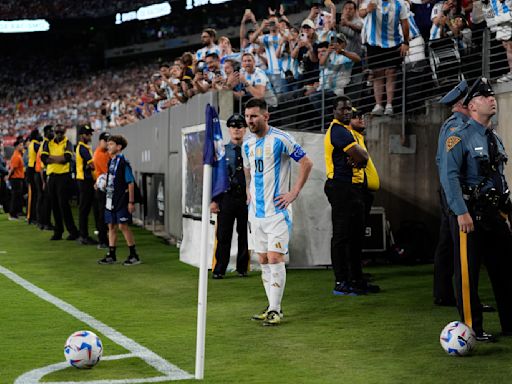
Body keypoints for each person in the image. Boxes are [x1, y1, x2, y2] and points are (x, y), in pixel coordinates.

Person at [440, 77, 512, 341]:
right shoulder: (457, 137)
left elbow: (499, 178)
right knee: (468, 273)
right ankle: (472, 329)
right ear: (471, 106)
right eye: (484, 97)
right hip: (470, 214)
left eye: (492, 96)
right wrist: (461, 211)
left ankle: (509, 323)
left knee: (505, 270)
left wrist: (507, 212)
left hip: (495, 213)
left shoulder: (494, 137)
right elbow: (449, 177)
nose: (491, 99)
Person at [242, 98, 313, 326]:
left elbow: (307, 163)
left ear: (266, 116)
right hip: (256, 213)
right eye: (247, 116)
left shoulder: (281, 139)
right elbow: (248, 170)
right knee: (262, 258)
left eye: (254, 116)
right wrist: (248, 190)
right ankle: (272, 306)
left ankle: (275, 309)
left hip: (278, 213)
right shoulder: (247, 144)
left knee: (274, 257)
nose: (250, 120)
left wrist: (294, 192)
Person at [324, 96, 379, 295]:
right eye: (343, 109)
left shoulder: (348, 131)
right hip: (342, 187)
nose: (347, 112)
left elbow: (361, 158)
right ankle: (341, 282)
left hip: (353, 188)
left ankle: (356, 279)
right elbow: (363, 156)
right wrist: (358, 158)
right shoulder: (338, 131)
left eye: (349, 108)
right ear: (334, 111)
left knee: (355, 237)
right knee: (342, 235)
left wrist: (358, 159)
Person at [433, 80, 469, 307]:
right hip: (454, 190)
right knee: (458, 245)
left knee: (447, 243)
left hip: (449, 190)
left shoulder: (451, 125)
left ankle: (445, 293)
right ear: (461, 103)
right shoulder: (456, 126)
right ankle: (459, 296)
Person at [210, 114, 249, 279]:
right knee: (223, 235)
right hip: (227, 197)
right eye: (233, 126)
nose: (237, 129)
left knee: (244, 234)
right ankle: (219, 269)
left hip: (245, 197)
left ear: (245, 129)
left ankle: (242, 268)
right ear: (229, 129)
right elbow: (216, 176)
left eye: (240, 126)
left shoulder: (250, 148)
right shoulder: (222, 150)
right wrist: (214, 200)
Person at [359, 0, 410, 116]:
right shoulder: (370, 0)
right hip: (374, 43)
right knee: (377, 73)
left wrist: (406, 42)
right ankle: (378, 105)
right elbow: (360, 13)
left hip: (394, 42)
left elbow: (405, 23)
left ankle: (389, 104)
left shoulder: (400, 3)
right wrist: (367, 10)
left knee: (391, 73)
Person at [97, 135, 141, 266]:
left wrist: (131, 202)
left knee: (123, 226)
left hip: (121, 199)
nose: (108, 146)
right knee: (110, 226)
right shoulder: (111, 162)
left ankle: (134, 254)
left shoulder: (123, 163)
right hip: (110, 199)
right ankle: (112, 254)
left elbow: (131, 183)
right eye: (108, 144)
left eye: (111, 144)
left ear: (118, 147)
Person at [41, 124, 79, 241]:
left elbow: (67, 158)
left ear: (64, 132)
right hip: (52, 176)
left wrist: (52, 158)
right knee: (54, 205)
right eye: (57, 132)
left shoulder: (68, 143)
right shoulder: (48, 143)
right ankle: (58, 232)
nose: (58, 134)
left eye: (61, 133)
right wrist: (59, 158)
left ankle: (72, 232)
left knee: (64, 205)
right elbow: (43, 158)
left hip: (63, 177)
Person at [76, 124, 98, 245]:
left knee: (85, 208)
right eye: (88, 134)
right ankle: (83, 236)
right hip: (85, 180)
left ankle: (83, 235)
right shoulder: (83, 148)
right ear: (82, 135)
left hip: (84, 179)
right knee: (84, 208)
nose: (90, 135)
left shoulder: (83, 147)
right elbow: (92, 165)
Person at [93, 131, 111, 249]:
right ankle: (103, 240)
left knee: (106, 214)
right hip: (102, 187)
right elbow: (107, 171)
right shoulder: (99, 154)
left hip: (105, 186)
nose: (108, 143)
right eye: (106, 141)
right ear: (100, 141)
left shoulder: (106, 153)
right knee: (102, 214)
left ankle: (106, 239)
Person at [7, 137, 25, 221]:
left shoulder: (18, 155)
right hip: (16, 179)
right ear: (17, 146)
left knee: (17, 197)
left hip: (18, 178)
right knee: (14, 197)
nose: (22, 146)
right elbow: (13, 168)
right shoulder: (16, 156)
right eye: (21, 145)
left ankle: (16, 213)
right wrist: (8, 177)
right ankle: (12, 214)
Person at [26, 129, 41, 225]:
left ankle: (32, 217)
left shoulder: (31, 144)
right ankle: (31, 217)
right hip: (32, 170)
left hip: (31, 169)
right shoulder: (35, 144)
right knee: (33, 195)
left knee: (34, 195)